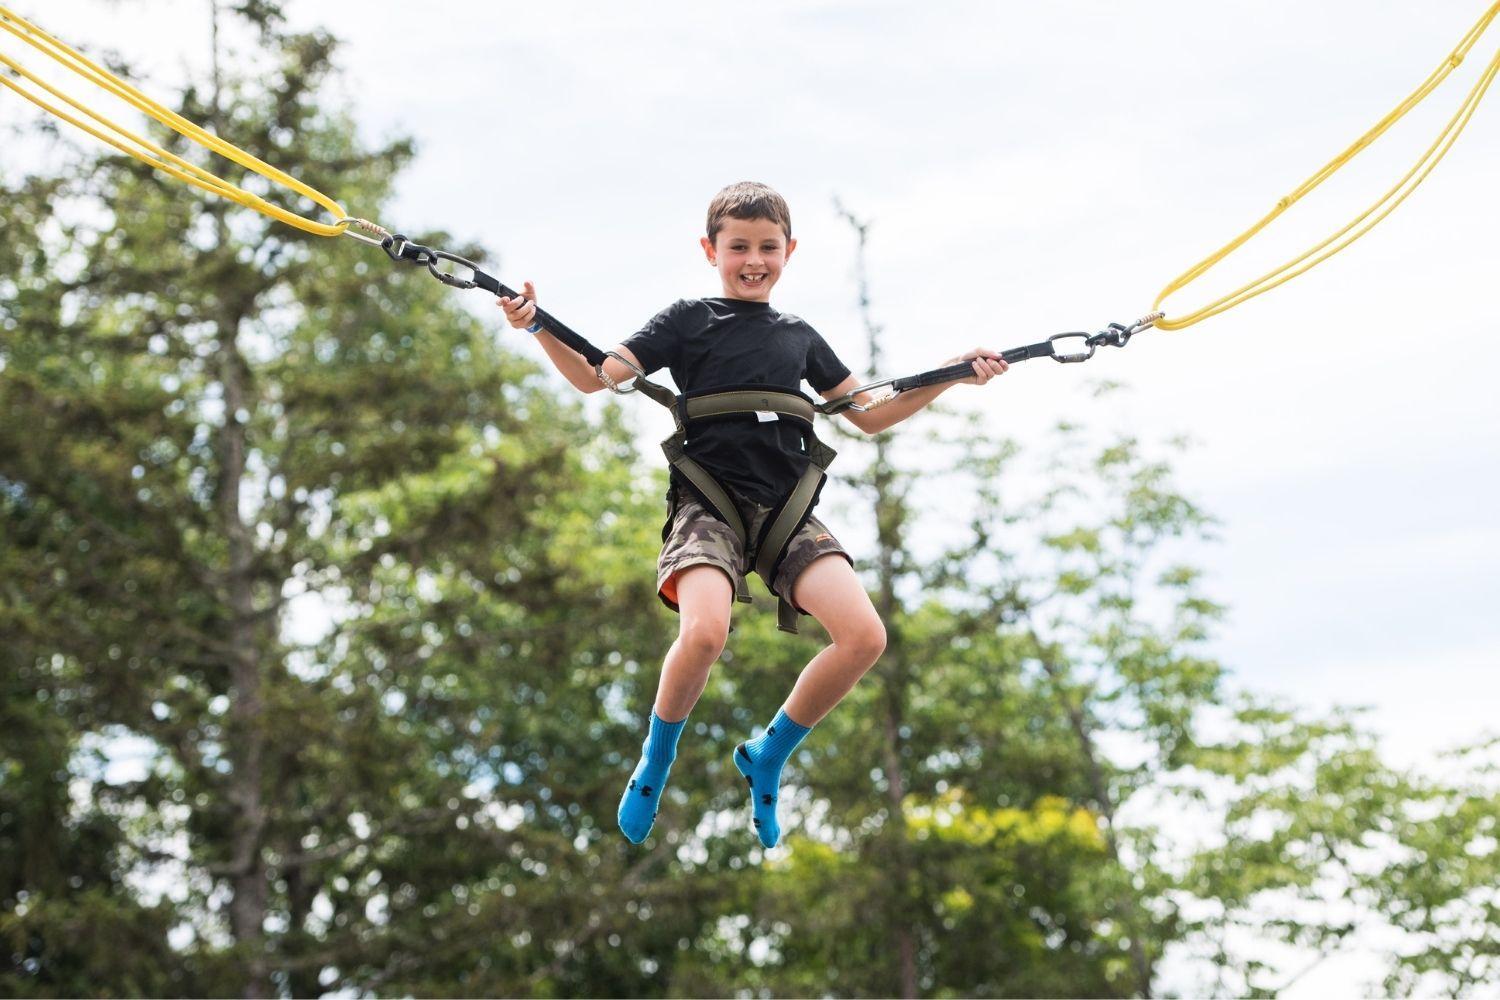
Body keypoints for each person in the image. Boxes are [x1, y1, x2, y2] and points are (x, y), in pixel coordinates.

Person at [497, 181, 1007, 849]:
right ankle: (656, 759)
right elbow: (597, 376)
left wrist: (949, 374)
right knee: (705, 634)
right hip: (709, 503)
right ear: (711, 250)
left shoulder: (800, 337)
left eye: (768, 248)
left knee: (864, 637)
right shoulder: (687, 320)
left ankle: (768, 753)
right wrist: (537, 325)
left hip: (787, 510)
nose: (754, 260)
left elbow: (870, 413)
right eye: (739, 247)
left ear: (789, 251)